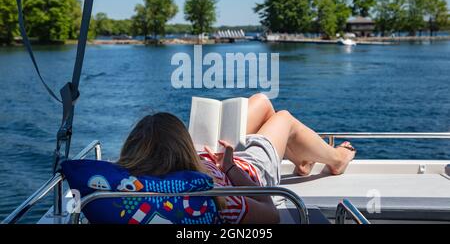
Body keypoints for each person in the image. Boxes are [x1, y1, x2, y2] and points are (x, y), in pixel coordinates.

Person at [117, 93, 356, 224]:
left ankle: (299, 158)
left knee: (261, 102)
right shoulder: (217, 196)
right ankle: (336, 159)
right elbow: (270, 214)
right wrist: (230, 167)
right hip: (243, 167)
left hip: (207, 158)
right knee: (283, 118)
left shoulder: (125, 187)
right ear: (181, 146)